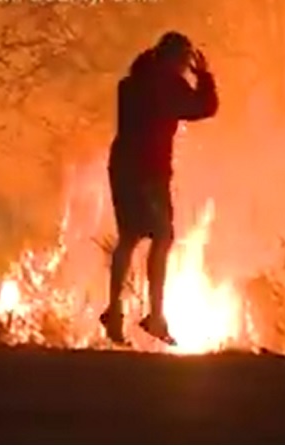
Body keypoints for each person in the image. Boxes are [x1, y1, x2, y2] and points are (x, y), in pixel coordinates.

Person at [100, 31, 219, 345]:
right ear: (176, 59)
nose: (185, 67)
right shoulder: (166, 85)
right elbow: (204, 108)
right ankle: (154, 316)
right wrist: (204, 77)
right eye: (184, 60)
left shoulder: (131, 83)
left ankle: (114, 310)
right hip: (149, 172)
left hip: (123, 168)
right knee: (163, 236)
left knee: (129, 237)